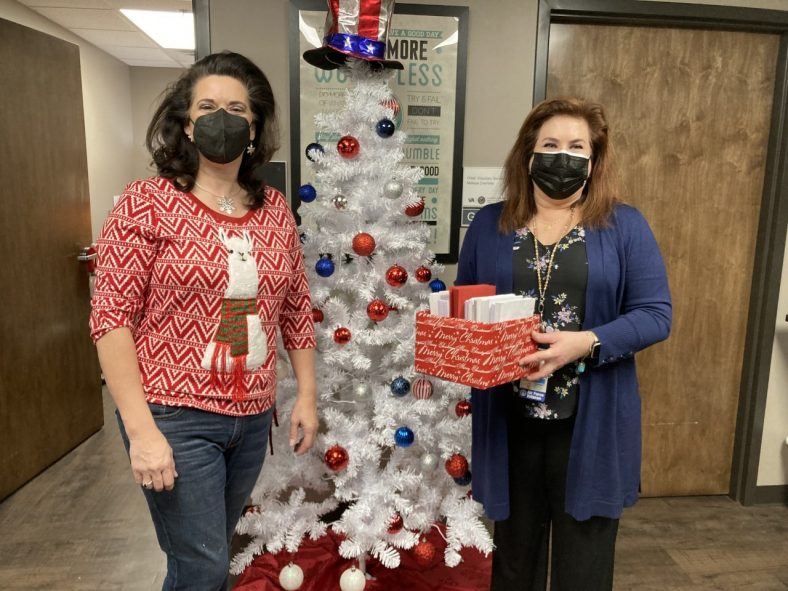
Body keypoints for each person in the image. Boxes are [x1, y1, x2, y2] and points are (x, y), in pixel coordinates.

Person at [89, 51, 318, 590]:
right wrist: (142, 432)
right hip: (174, 415)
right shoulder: (147, 203)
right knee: (203, 566)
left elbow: (295, 309)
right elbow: (111, 317)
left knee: (205, 557)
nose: (222, 118)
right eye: (208, 107)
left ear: (254, 127)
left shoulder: (275, 210)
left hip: (251, 418)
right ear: (187, 125)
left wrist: (305, 393)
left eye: (236, 108)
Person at [456, 96, 671, 590]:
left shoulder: (623, 225)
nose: (562, 156)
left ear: (594, 161)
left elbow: (656, 315)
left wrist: (586, 342)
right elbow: (465, 310)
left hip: (589, 424)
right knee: (514, 561)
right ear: (528, 154)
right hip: (510, 422)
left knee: (584, 565)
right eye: (550, 144)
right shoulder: (489, 226)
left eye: (577, 147)